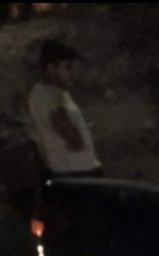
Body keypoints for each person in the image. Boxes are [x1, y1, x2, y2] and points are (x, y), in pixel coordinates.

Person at [28, 40, 102, 179]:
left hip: (62, 169)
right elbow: (70, 134)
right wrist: (79, 135)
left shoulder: (38, 92)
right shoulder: (56, 97)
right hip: (79, 171)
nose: (73, 73)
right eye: (68, 67)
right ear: (52, 68)